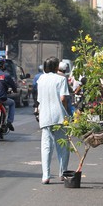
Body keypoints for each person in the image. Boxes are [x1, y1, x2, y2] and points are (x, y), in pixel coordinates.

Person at [37, 56, 70, 184]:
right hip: (59, 116)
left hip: (45, 116)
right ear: (57, 67)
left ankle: (46, 176)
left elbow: (39, 99)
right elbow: (63, 99)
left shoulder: (41, 79)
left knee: (46, 146)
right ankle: (63, 173)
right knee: (62, 145)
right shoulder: (61, 79)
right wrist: (66, 114)